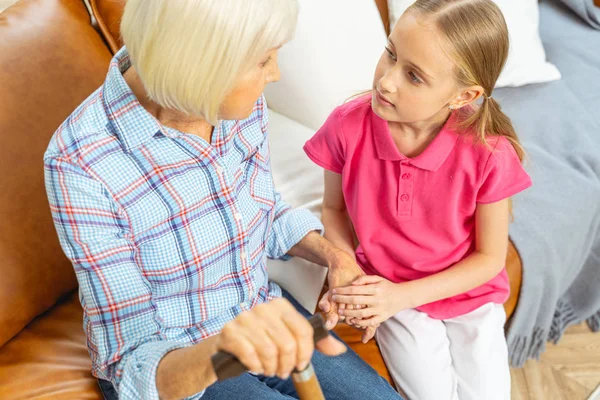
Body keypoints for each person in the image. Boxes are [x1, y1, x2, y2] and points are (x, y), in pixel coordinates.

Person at [43, 0, 402, 399]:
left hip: (259, 312)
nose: (275, 74)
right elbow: (132, 362)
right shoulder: (80, 161)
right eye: (264, 60)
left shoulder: (236, 104)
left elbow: (262, 211)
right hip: (178, 365)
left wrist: (336, 257)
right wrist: (226, 347)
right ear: (201, 70)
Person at [305, 1, 533, 399]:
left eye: (413, 75)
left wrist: (401, 296)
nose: (387, 81)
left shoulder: (490, 154)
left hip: (468, 297)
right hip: (393, 294)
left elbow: (489, 259)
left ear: (464, 95)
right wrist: (352, 279)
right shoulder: (346, 125)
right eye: (391, 53)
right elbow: (334, 210)